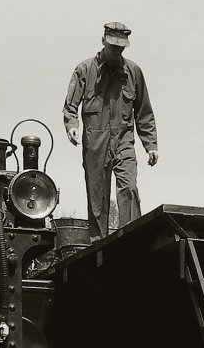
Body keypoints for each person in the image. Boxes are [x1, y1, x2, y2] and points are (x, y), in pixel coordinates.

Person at [63, 22, 157, 240]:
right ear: (103, 40)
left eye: (121, 48)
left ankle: (132, 240)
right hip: (95, 141)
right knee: (98, 198)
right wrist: (72, 126)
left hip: (124, 139)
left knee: (129, 188)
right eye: (113, 46)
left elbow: (144, 112)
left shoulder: (133, 72)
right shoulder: (84, 70)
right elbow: (70, 106)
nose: (117, 51)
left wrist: (150, 145)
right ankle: (99, 245)